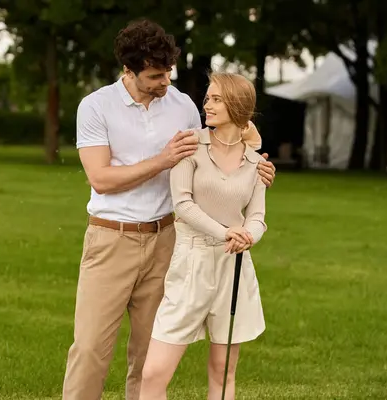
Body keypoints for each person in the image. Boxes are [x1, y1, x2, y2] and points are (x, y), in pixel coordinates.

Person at [62, 19, 276, 400]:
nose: (165, 82)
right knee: (91, 349)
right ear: (129, 70)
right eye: (155, 76)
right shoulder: (95, 106)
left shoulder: (181, 106)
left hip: (168, 242)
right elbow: (101, 178)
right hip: (111, 238)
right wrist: (162, 161)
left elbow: (235, 132)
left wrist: (258, 162)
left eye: (168, 73)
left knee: (148, 358)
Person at [138, 72, 269, 400]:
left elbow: (257, 218)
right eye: (207, 98)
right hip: (191, 263)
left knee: (222, 371)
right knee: (154, 373)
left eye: (215, 99)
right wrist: (226, 232)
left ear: (237, 106)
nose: (206, 105)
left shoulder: (255, 162)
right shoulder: (190, 146)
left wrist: (247, 237)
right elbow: (182, 204)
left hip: (234, 267)